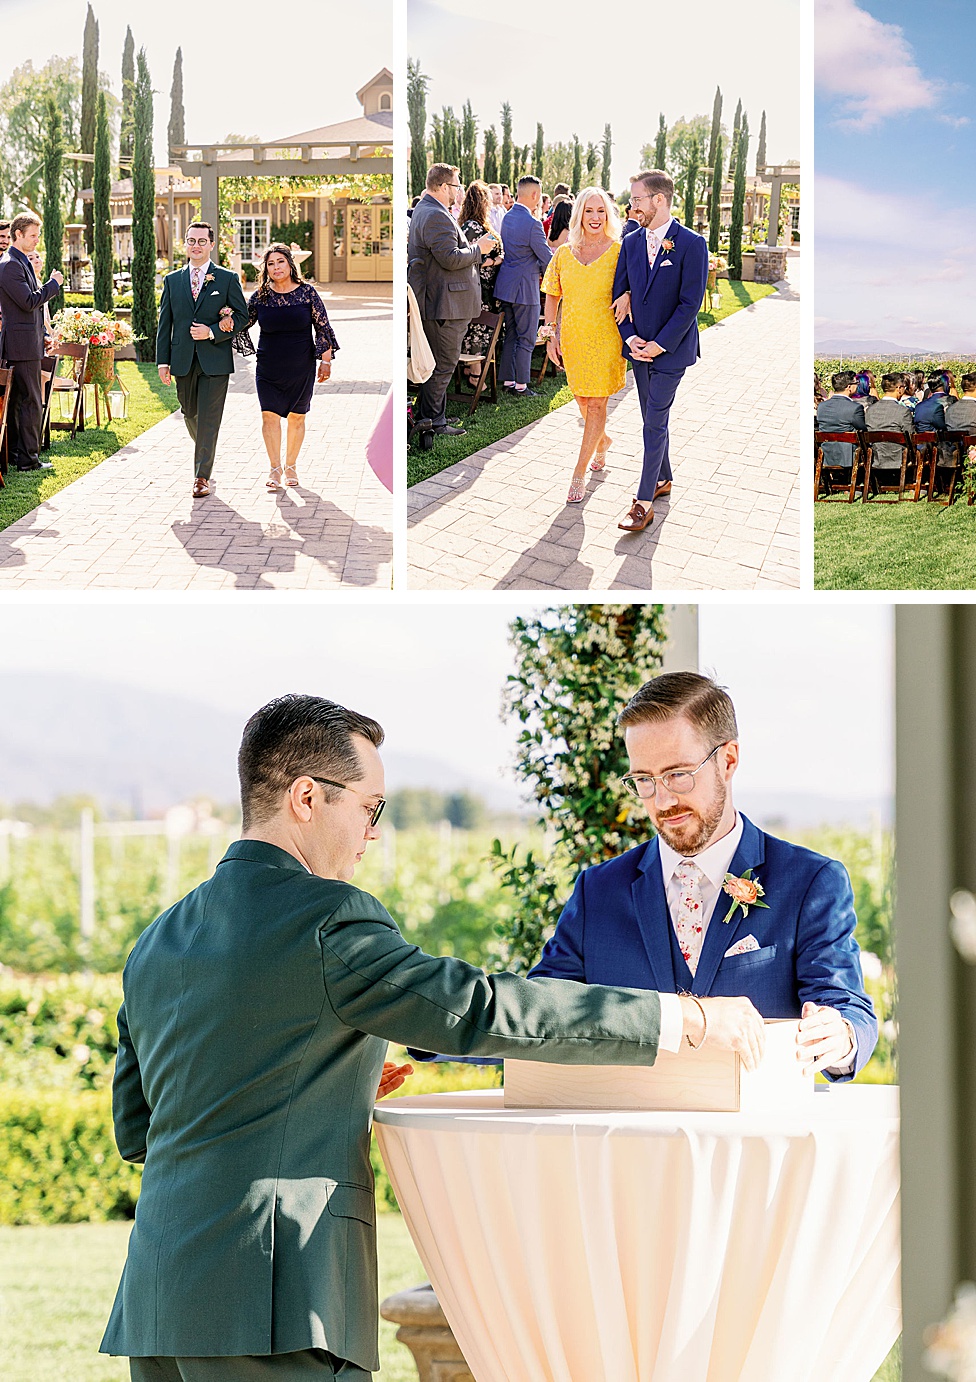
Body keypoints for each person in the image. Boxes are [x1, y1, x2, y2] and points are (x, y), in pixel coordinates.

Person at [99, 693, 764, 1381]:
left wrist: (325, 1078)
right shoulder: (328, 920)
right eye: (369, 807)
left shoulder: (159, 940)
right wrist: (679, 1017)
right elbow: (479, 1009)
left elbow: (141, 1128)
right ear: (306, 798)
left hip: (159, 1299)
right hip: (274, 1295)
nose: (373, 832)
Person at [525, 672, 878, 1078]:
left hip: (754, 1137)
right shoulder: (597, 892)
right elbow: (537, 1015)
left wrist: (842, 1035)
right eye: (643, 780)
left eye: (678, 774)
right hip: (622, 1135)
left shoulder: (812, 882)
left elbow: (847, 1007)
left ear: (728, 760)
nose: (662, 800)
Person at [610, 169, 709, 535]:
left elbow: (689, 304)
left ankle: (643, 503)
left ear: (659, 200)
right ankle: (663, 478)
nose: (631, 205)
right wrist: (630, 337)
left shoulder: (692, 244)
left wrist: (659, 343)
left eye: (637, 199)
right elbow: (618, 296)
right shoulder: (632, 242)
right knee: (653, 420)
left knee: (653, 422)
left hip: (671, 350)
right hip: (639, 350)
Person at [540, 187, 628, 505]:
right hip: (573, 340)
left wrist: (628, 295)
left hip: (607, 339)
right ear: (579, 214)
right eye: (589, 211)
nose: (595, 217)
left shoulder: (620, 251)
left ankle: (579, 473)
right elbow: (552, 294)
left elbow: (633, 286)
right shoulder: (564, 253)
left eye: (601, 211)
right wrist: (551, 334)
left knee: (596, 405)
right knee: (581, 399)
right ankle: (601, 443)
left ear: (608, 215)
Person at [407, 163, 499, 451]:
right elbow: (449, 257)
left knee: (441, 365)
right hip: (445, 305)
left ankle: (435, 417)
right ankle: (432, 420)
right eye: (457, 186)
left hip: (444, 302)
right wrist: (479, 249)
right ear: (444, 186)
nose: (459, 191)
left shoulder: (430, 210)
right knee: (443, 366)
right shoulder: (434, 214)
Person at [156, 221, 249, 498]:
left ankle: (201, 476)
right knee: (189, 413)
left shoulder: (227, 278)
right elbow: (165, 323)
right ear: (185, 244)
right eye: (191, 241)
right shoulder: (172, 280)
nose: (196, 246)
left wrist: (212, 331)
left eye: (201, 241)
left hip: (215, 360)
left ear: (211, 245)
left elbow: (242, 316)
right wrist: (163, 362)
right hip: (183, 359)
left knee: (209, 418)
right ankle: (206, 449)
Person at [245, 245, 338, 493]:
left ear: (290, 265)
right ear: (265, 268)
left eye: (280, 262)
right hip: (268, 366)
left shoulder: (307, 293)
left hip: (301, 365)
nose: (276, 267)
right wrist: (223, 316)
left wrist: (325, 361)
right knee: (269, 416)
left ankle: (291, 466)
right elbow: (242, 322)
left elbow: (323, 328)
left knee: (297, 417)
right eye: (271, 263)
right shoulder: (260, 296)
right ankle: (275, 468)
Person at [0, 211, 64, 474]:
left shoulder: (18, 260)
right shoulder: (10, 264)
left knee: (19, 401)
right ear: (18, 234)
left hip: (26, 342)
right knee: (31, 402)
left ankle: (17, 455)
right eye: (33, 235)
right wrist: (54, 284)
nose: (37, 240)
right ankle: (28, 460)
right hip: (20, 346)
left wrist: (44, 337)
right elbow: (28, 302)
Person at [492, 175, 554, 397]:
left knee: (511, 335)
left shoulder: (508, 217)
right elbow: (546, 258)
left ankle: (508, 380)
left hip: (506, 285)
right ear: (535, 195)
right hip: (525, 288)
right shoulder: (532, 223)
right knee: (527, 337)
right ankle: (521, 385)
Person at [455, 181, 503, 363]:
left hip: (486, 286)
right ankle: (474, 372)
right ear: (482, 202)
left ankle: (473, 369)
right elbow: (469, 258)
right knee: (478, 328)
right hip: (480, 286)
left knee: (480, 327)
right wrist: (494, 260)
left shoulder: (473, 224)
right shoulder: (472, 227)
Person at [815, 369, 865, 473]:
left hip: (826, 453)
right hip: (847, 455)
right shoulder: (855, 408)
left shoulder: (822, 406)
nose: (857, 385)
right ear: (849, 387)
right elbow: (863, 429)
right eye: (856, 383)